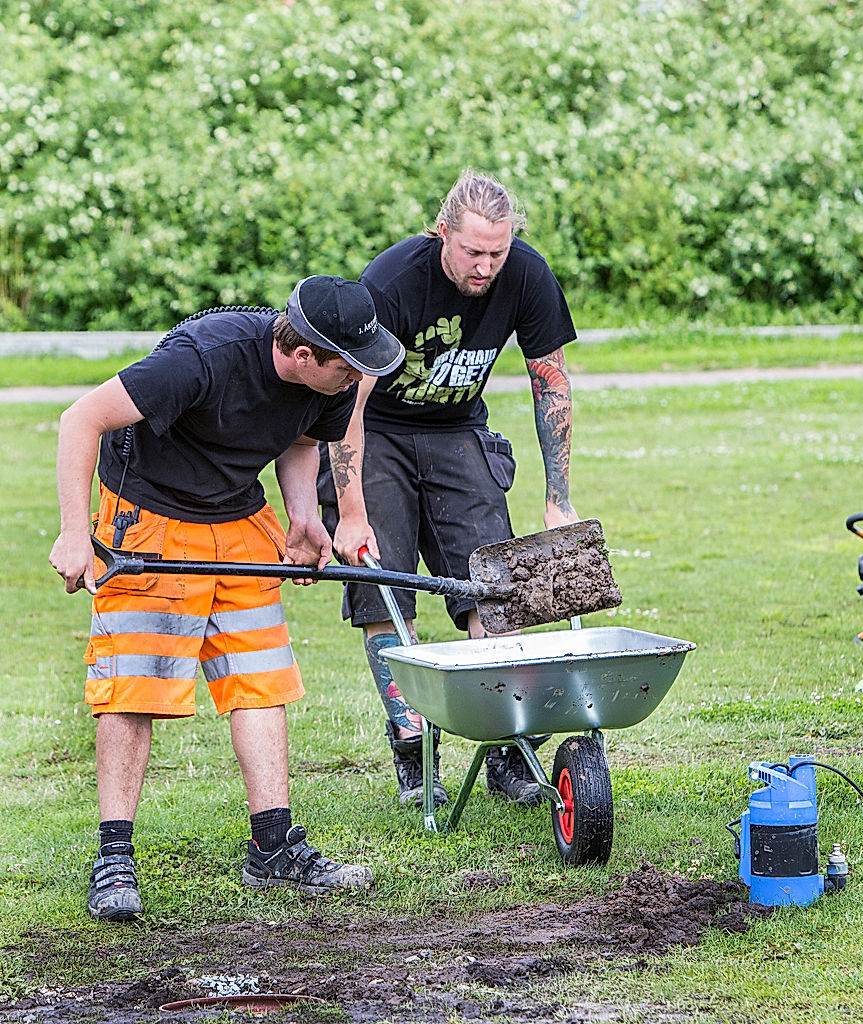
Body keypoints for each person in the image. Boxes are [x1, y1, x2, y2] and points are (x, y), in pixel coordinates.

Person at [48, 275, 404, 920]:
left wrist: (301, 515)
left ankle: (274, 846)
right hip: (149, 521)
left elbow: (301, 438)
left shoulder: (329, 381)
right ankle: (114, 857)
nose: (357, 381)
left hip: (238, 521)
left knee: (260, 678)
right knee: (137, 685)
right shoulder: (203, 359)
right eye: (347, 370)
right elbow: (82, 420)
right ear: (303, 355)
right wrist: (76, 534)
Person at [320, 170, 578, 808]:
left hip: (457, 428)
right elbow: (348, 404)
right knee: (383, 590)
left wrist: (559, 495)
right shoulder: (393, 282)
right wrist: (351, 510)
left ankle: (506, 753)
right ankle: (413, 749)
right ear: (444, 234)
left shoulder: (527, 275)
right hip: (375, 430)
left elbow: (552, 384)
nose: (487, 266)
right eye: (473, 252)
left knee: (495, 588)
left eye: (498, 251)